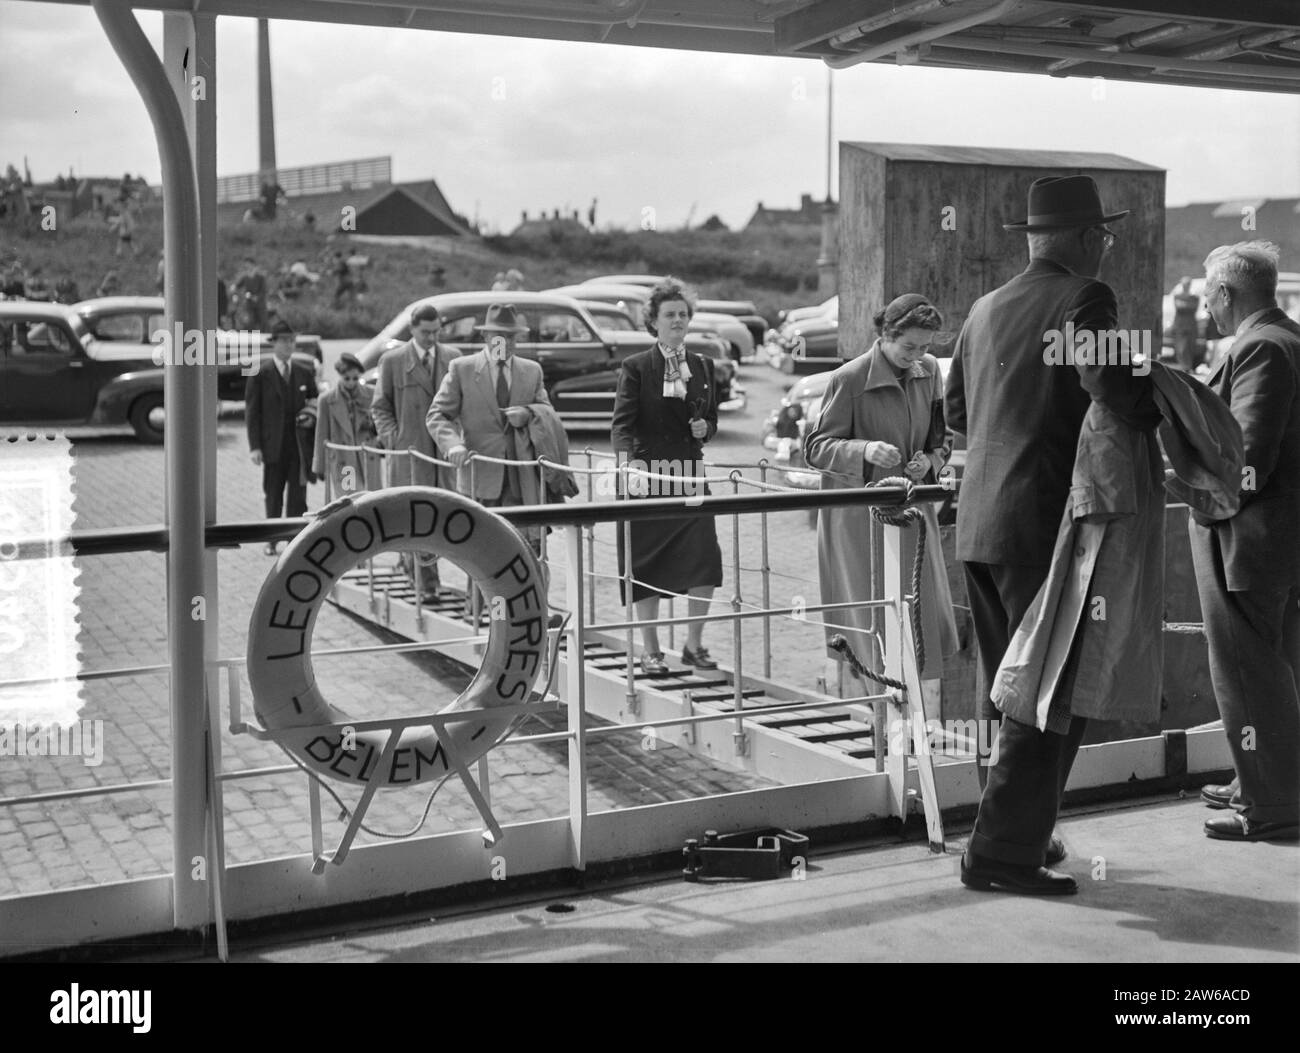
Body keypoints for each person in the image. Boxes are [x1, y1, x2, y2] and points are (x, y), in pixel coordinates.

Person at [945, 175, 1159, 894]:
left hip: (978, 525)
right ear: (1078, 238)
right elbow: (1115, 382)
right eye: (1102, 235)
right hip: (1042, 527)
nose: (1105, 246)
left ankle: (1009, 831)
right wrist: (1164, 402)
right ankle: (1002, 856)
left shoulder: (982, 308)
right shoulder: (1084, 299)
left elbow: (955, 414)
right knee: (1047, 694)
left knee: (1001, 688)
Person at [1190, 241, 1300, 842]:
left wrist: (1197, 501)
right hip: (1285, 543)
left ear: (1227, 294)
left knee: (1247, 670)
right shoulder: (1291, 338)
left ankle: (1271, 806)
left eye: (1209, 299)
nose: (1207, 311)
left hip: (1249, 545)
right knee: (1281, 667)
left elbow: (1246, 458)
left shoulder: (1258, 347)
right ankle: (1257, 779)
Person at [804, 293, 958, 706]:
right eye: (910, 346)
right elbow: (817, 448)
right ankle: (881, 719)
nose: (919, 355)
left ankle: (911, 726)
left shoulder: (930, 373)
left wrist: (930, 461)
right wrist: (866, 450)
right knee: (872, 620)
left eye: (926, 347)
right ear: (886, 336)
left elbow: (943, 440)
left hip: (911, 515)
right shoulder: (849, 379)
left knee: (917, 617)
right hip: (859, 524)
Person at [610, 277, 722, 674]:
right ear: (653, 323)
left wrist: (705, 429)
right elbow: (622, 424)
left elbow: (711, 419)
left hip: (690, 475)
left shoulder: (704, 365)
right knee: (645, 566)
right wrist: (625, 466)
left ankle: (694, 646)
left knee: (705, 561)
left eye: (683, 314)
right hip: (647, 475)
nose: (678, 320)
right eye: (669, 315)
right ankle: (651, 650)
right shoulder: (637, 367)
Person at [371, 303, 460, 602]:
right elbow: (380, 407)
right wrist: (393, 438)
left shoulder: (453, 359)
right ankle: (426, 583)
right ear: (412, 330)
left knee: (437, 519)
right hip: (409, 456)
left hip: (441, 459)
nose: (432, 338)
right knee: (414, 519)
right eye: (425, 332)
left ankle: (417, 571)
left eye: (436, 332)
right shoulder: (393, 360)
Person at [427, 303, 550, 516]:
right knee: (481, 543)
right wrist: (453, 445)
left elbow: (547, 414)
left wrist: (528, 414)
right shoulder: (462, 369)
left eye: (511, 337)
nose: (505, 342)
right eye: (498, 336)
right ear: (485, 336)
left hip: (521, 479)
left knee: (523, 542)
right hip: (479, 477)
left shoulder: (532, 371)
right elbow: (437, 415)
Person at [246, 318, 316, 553]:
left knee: (298, 495)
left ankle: (294, 541)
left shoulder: (304, 373)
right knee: (273, 494)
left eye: (292, 341)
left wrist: (310, 415)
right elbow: (252, 412)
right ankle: (272, 540)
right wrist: (255, 446)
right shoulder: (261, 373)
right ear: (273, 343)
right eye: (284, 341)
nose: (289, 345)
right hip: (272, 445)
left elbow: (315, 404)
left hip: (298, 446)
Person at [313, 352, 378, 499]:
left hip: (367, 456)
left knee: (372, 499)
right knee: (349, 502)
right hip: (344, 460)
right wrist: (320, 466)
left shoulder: (371, 394)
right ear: (339, 375)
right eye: (346, 378)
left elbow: (379, 424)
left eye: (355, 378)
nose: (351, 382)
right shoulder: (326, 400)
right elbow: (321, 434)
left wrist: (372, 426)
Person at [1171, 275, 1200, 371]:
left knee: (1190, 347)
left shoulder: (1194, 297)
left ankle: (1188, 367)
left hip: (1191, 325)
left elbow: (1193, 308)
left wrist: (1185, 305)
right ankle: (1184, 366)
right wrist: (1187, 306)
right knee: (1181, 348)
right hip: (1180, 326)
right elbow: (1179, 307)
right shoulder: (1177, 296)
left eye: (1187, 284)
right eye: (1184, 284)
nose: (1186, 286)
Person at [234, 256, 268, 330]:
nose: (247, 266)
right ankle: (252, 338)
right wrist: (236, 293)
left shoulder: (260, 277)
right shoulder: (245, 277)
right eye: (246, 264)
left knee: (262, 321)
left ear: (253, 264)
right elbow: (237, 286)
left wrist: (257, 297)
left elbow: (263, 290)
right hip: (249, 302)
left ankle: (263, 337)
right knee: (250, 321)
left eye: (248, 264)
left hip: (259, 302)